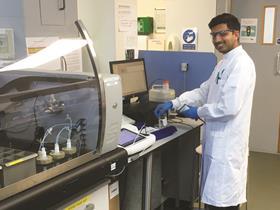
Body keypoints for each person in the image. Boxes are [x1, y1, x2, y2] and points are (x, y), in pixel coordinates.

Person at [154, 13, 256, 210]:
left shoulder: (241, 64)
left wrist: (198, 112)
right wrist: (175, 102)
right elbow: (204, 90)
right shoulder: (224, 62)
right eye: (213, 35)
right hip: (216, 144)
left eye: (222, 34)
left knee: (223, 203)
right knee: (213, 201)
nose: (217, 39)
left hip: (227, 148)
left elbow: (229, 107)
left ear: (236, 34)